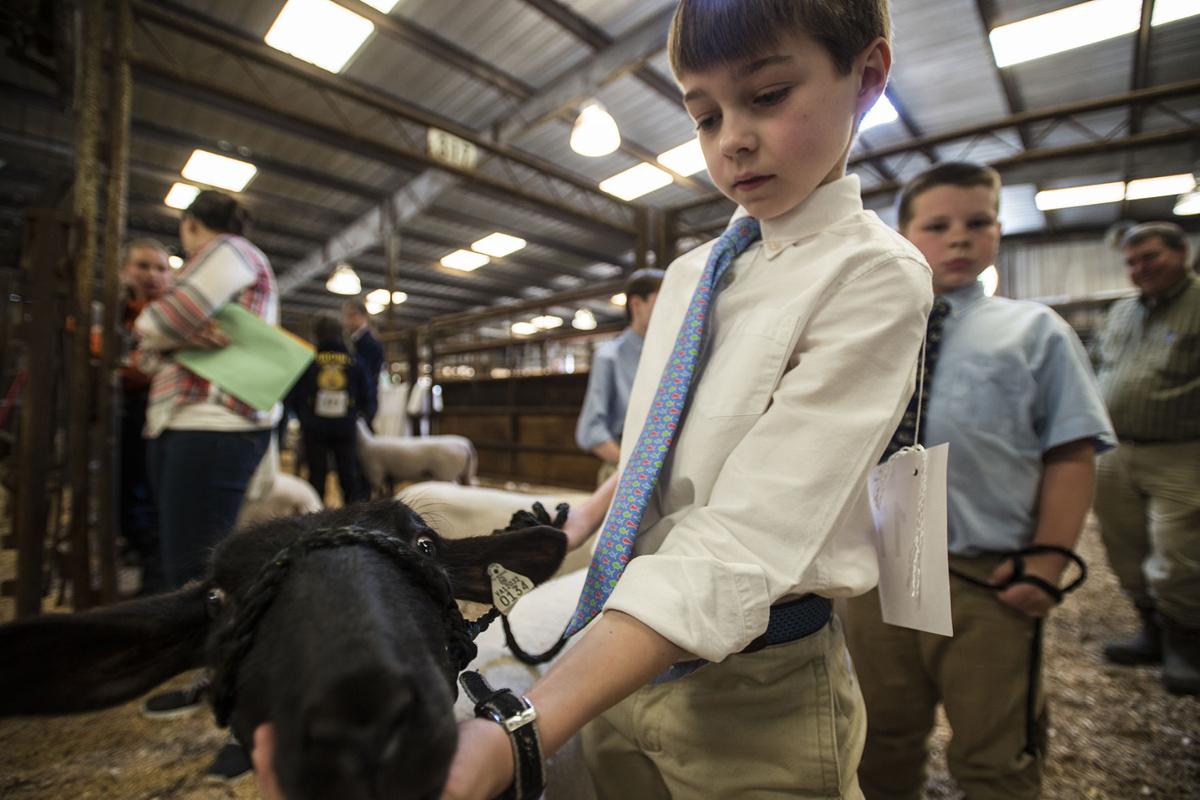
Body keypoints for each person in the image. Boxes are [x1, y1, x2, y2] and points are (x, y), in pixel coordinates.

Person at [256, 1, 934, 797]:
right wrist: (588, 517)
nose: (732, 140)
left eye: (770, 95)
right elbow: (677, 439)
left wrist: (524, 729)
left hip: (755, 690)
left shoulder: (873, 277)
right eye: (705, 114)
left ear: (868, 78)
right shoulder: (691, 276)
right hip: (616, 659)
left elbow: (744, 538)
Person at [842, 162, 1115, 800]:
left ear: (998, 231)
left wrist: (1046, 562)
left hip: (987, 578)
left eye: (978, 223)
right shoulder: (868, 334)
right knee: (877, 735)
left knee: (996, 751)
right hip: (879, 574)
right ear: (904, 235)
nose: (959, 238)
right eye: (937, 225)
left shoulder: (1035, 331)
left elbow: (1072, 450)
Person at [134, 190, 279, 779]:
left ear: (191, 225)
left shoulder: (228, 252)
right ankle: (215, 682)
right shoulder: (224, 262)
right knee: (189, 571)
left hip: (213, 426)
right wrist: (177, 338)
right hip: (186, 426)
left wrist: (167, 331)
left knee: (211, 575)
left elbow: (152, 323)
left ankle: (254, 721)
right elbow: (145, 354)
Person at [1091, 221, 1199, 696]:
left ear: (1183, 252)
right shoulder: (1121, 313)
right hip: (1116, 449)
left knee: (1177, 552)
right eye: (1132, 262)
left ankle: (1186, 642)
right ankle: (1151, 630)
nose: (1140, 269)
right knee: (1125, 547)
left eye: (1151, 257)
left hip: (1180, 450)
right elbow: (1098, 367)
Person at [116, 238, 172, 595]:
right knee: (124, 482)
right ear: (125, 270)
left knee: (156, 491)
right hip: (124, 412)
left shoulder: (172, 318)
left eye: (160, 268)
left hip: (164, 411)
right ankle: (133, 546)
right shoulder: (114, 314)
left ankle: (153, 563)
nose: (152, 275)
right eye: (143, 266)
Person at [575, 268, 664, 485]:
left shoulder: (670, 355)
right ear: (636, 304)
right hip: (624, 470)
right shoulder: (610, 357)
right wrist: (632, 467)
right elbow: (590, 430)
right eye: (661, 301)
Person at [289, 313, 371, 505]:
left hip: (314, 426)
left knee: (316, 474)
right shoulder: (355, 361)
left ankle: (317, 518)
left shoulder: (309, 361)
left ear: (316, 334)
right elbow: (367, 393)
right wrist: (360, 415)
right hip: (345, 426)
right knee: (348, 473)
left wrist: (303, 417)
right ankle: (353, 520)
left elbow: (295, 394)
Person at [342, 300, 383, 425]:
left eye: (351, 315)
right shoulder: (354, 340)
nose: (347, 321)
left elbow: (367, 374)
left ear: (363, 317)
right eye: (346, 316)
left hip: (364, 399)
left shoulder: (369, 343)